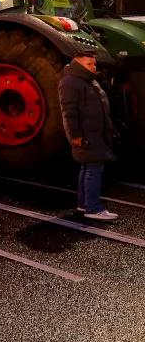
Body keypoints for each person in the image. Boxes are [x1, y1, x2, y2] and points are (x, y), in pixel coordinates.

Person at [60, 49, 118, 221]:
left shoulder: (87, 81)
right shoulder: (71, 82)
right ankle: (93, 208)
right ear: (78, 63)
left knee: (87, 168)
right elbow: (69, 112)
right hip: (87, 134)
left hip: (94, 132)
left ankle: (84, 204)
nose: (94, 67)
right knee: (93, 170)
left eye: (94, 64)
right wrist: (76, 135)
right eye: (89, 64)